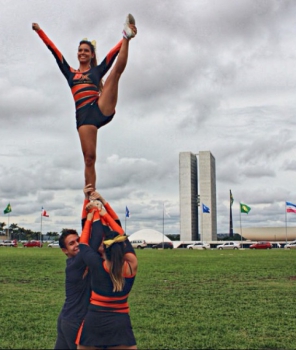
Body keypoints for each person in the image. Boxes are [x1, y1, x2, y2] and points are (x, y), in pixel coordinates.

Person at [32, 15, 137, 190]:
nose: (82, 53)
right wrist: (40, 31)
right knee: (89, 158)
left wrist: (126, 36)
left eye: (86, 51)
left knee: (114, 74)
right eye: (80, 50)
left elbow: (112, 55)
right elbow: (53, 50)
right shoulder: (70, 73)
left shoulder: (96, 71)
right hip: (84, 117)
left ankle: (127, 36)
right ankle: (90, 197)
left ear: (91, 54)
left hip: (99, 107)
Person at [76, 204, 138, 349]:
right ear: (122, 247)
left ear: (103, 247)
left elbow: (84, 243)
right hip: (120, 322)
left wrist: (93, 216)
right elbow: (122, 234)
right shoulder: (131, 264)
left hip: (95, 319)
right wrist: (104, 212)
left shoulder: (96, 263)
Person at [54, 185, 105, 349]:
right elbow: (94, 236)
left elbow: (87, 232)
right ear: (65, 251)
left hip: (66, 318)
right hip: (75, 322)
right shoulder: (75, 264)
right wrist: (95, 209)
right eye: (71, 243)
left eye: (77, 240)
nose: (77, 245)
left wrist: (87, 200)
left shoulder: (82, 258)